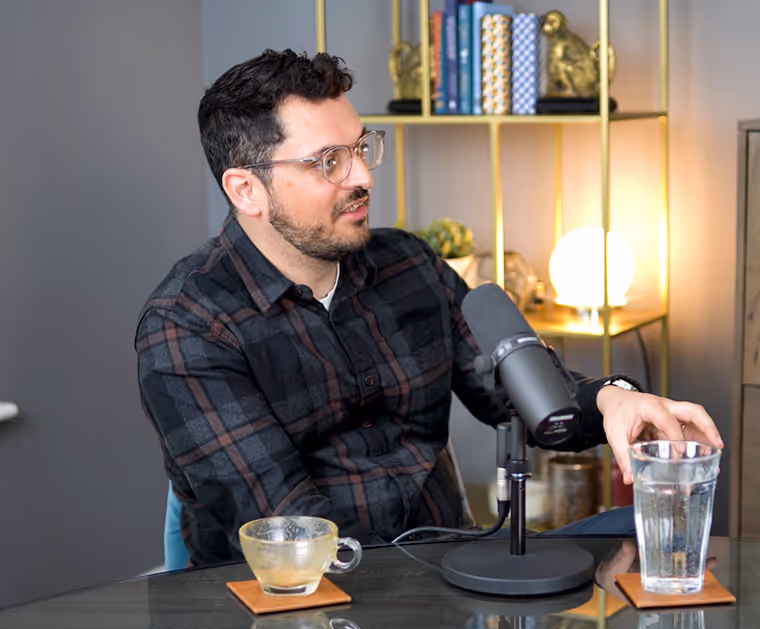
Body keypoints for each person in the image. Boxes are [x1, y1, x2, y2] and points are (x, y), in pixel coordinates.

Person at [135, 49, 723, 567]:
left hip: (445, 591)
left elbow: (518, 393)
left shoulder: (409, 264)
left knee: (650, 545)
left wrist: (611, 398)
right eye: (327, 162)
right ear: (246, 190)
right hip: (292, 619)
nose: (362, 175)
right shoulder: (188, 326)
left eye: (361, 148)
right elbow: (292, 536)